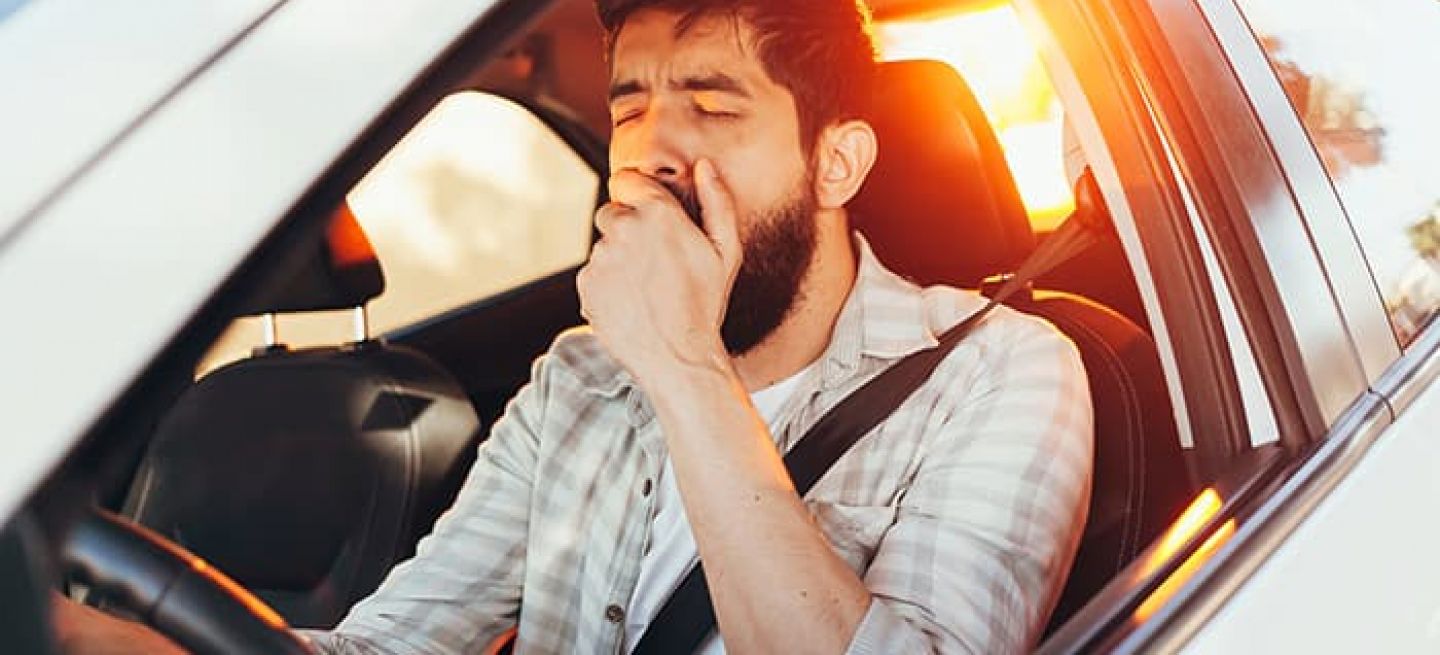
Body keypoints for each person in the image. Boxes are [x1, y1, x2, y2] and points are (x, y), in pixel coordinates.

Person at [53, 0, 1093, 652]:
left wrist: (687, 367)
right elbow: (396, 644)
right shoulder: (580, 379)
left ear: (837, 164)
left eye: (715, 104)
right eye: (631, 104)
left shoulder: (1003, 374)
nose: (649, 149)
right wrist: (70, 633)